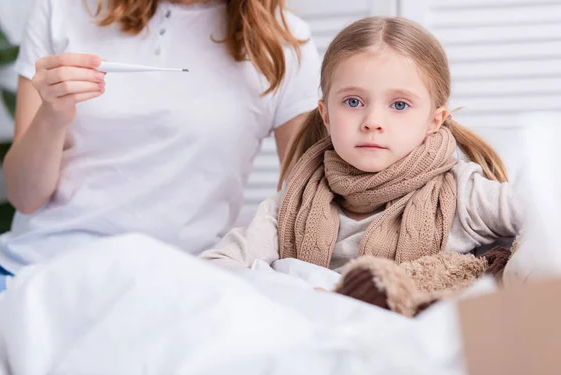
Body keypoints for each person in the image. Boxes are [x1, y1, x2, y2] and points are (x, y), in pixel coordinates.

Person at [0, 0, 321, 294]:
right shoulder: (62, 9)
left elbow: (307, 206)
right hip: (19, 271)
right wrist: (51, 116)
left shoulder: (284, 46)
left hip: (163, 289)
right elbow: (25, 197)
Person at [201, 17, 522, 286]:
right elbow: (212, 270)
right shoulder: (290, 205)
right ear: (326, 114)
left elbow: (547, 215)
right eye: (353, 102)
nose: (372, 122)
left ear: (433, 121)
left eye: (399, 104)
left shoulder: (464, 196)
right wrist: (298, 298)